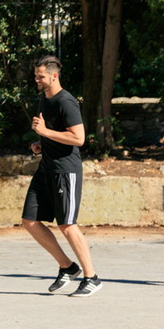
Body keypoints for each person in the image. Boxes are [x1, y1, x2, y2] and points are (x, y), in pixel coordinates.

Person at [21, 55, 101, 297]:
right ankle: (68, 267)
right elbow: (53, 134)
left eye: (40, 76)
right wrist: (41, 143)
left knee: (67, 225)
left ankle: (92, 277)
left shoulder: (66, 102)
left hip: (65, 171)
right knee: (30, 221)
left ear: (54, 76)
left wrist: (45, 131)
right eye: (36, 75)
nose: (36, 79)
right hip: (46, 168)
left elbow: (78, 138)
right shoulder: (43, 100)